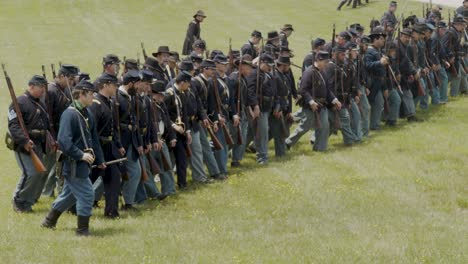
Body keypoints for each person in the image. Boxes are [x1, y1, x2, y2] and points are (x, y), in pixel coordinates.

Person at [41, 79, 105, 236]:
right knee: (87, 194)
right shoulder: (69, 114)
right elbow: (63, 142)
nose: (93, 98)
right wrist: (81, 154)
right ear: (81, 94)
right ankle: (82, 231)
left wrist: (100, 159)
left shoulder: (87, 112)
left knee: (68, 196)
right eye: (90, 94)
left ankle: (49, 221)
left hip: (84, 164)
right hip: (73, 164)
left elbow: (94, 139)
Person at [8, 75, 49, 213]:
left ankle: (27, 202)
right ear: (31, 86)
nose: (43, 90)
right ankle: (18, 200)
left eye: (44, 87)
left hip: (37, 144)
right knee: (30, 173)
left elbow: (46, 125)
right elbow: (13, 126)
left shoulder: (40, 103)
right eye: (41, 87)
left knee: (37, 174)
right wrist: (25, 141)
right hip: (23, 146)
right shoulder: (19, 102)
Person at [285, 51, 341, 152]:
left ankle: (320, 148)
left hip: (322, 105)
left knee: (324, 127)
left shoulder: (323, 72)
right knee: (304, 127)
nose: (327, 64)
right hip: (310, 106)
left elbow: (327, 90)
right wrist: (311, 102)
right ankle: (288, 142)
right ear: (318, 60)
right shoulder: (309, 72)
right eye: (325, 61)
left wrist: (334, 100)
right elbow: (303, 90)